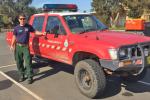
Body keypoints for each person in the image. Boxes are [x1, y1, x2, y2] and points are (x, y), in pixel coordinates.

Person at [10, 14, 45, 84]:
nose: (22, 20)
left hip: (26, 47)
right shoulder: (16, 28)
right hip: (18, 47)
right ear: (19, 20)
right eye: (21, 19)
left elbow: (35, 32)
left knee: (28, 62)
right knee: (19, 62)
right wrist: (12, 45)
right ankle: (22, 75)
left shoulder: (28, 27)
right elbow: (14, 37)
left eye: (24, 19)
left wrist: (42, 33)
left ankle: (30, 77)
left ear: (25, 19)